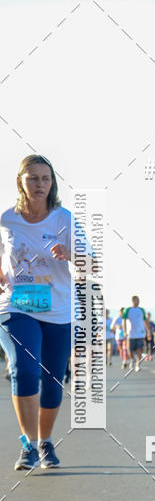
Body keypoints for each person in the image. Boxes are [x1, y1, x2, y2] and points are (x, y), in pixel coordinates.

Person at [0, 155, 73, 471]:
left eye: (46, 178)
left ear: (52, 183)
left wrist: (71, 253)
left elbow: (93, 262)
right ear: (21, 181)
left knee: (52, 380)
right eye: (33, 178)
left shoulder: (63, 219)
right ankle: (28, 444)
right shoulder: (6, 220)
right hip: (16, 306)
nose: (40, 184)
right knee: (25, 369)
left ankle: (45, 442)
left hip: (57, 309)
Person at [122, 295, 149, 372]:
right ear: (133, 301)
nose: (138, 301)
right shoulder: (127, 310)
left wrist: (148, 331)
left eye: (139, 300)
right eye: (137, 300)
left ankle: (137, 364)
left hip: (140, 333)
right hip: (130, 334)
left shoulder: (142, 310)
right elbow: (124, 321)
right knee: (130, 350)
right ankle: (132, 359)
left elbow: (145, 320)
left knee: (140, 349)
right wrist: (125, 331)